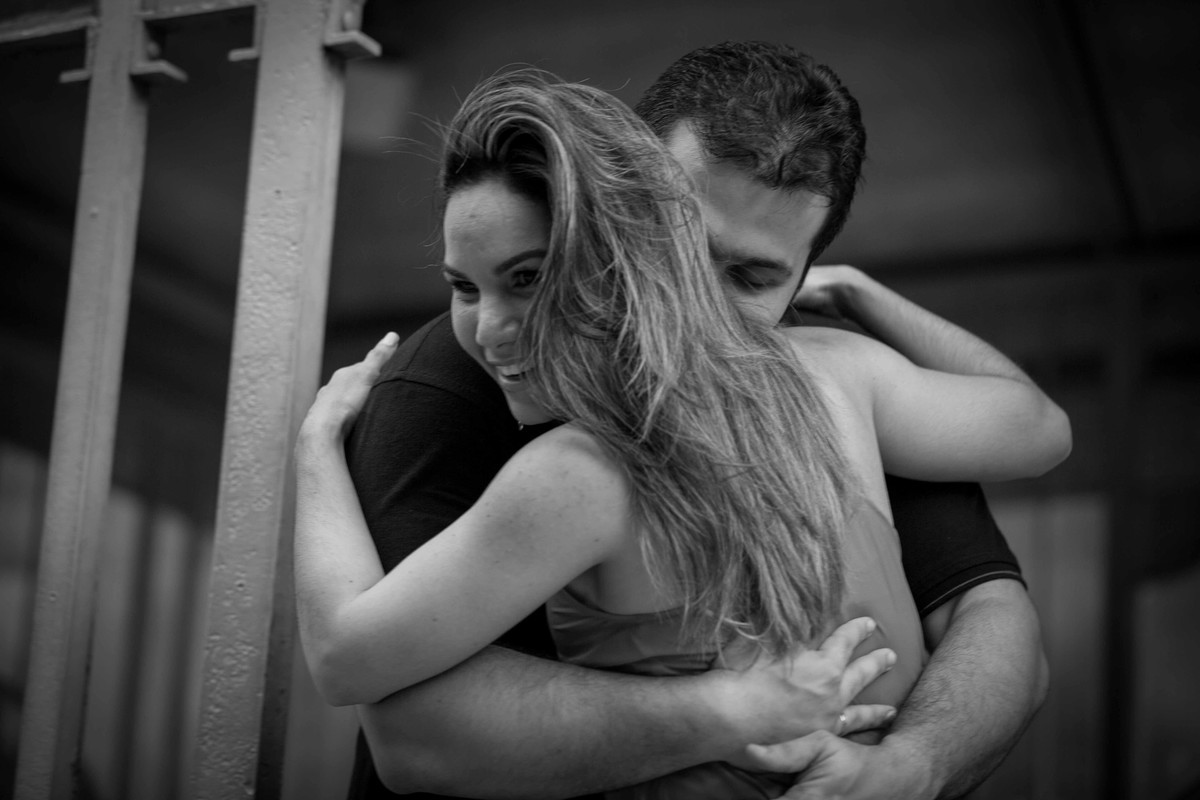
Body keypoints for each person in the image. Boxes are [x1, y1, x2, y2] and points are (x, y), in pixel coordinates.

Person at [294, 68, 1069, 799]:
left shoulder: (578, 476)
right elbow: (1039, 428)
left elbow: (342, 658)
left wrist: (316, 453)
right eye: (463, 286)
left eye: (529, 278)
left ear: (623, 253)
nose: (493, 329)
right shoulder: (842, 371)